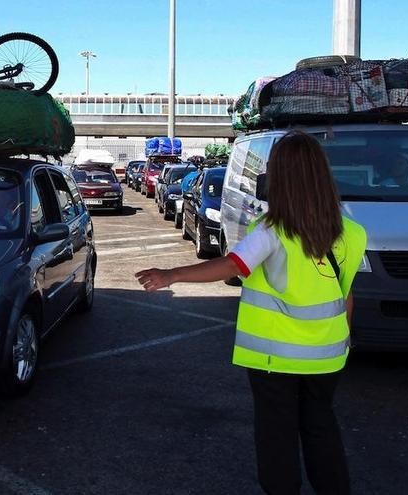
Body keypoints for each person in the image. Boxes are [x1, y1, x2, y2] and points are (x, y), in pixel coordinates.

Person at [136, 131, 367, 495]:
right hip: (327, 356)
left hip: (275, 360)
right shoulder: (353, 233)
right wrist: (344, 342)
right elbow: (346, 295)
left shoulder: (273, 231)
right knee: (322, 430)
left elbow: (232, 266)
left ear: (281, 179)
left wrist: (172, 275)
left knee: (278, 439)